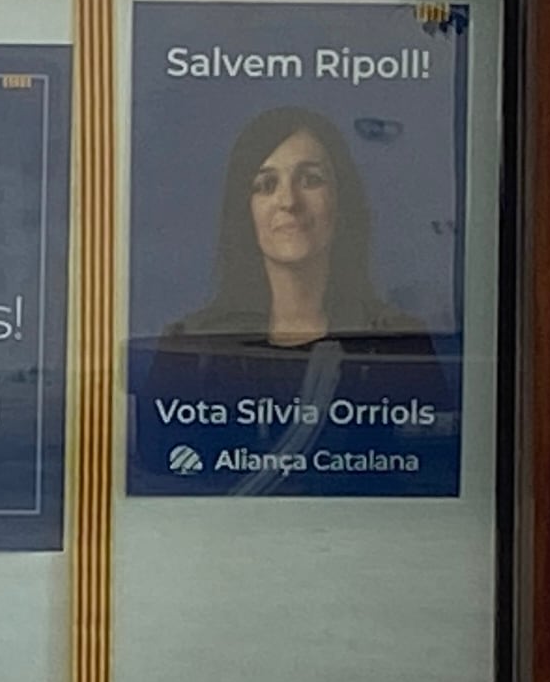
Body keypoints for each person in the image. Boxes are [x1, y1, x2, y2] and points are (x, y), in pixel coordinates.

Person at [138, 105, 454, 497]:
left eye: (311, 179)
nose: (289, 200)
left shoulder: (398, 343)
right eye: (265, 184)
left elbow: (431, 475)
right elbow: (159, 482)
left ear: (342, 201)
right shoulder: (189, 345)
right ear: (244, 211)